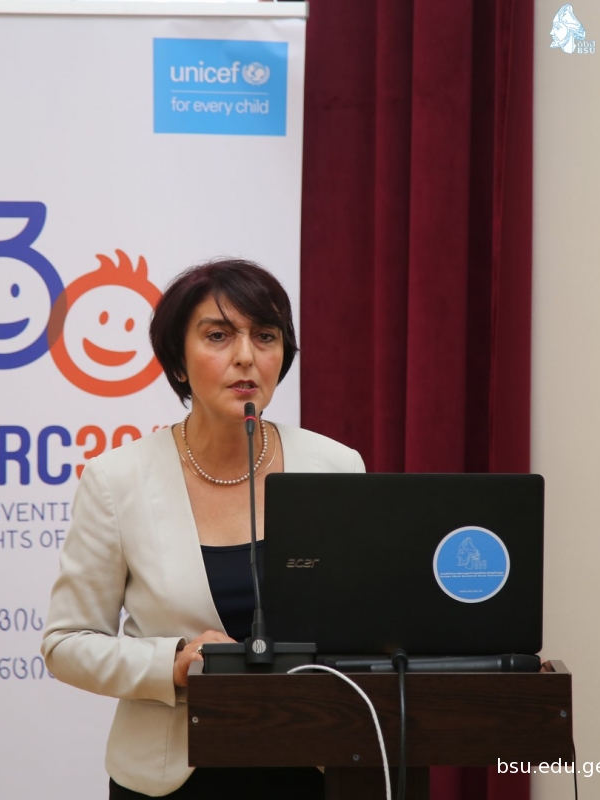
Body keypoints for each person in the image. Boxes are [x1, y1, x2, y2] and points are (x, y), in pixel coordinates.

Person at [42, 259, 365, 798]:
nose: (246, 356)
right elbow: (66, 643)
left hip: (311, 762)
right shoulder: (117, 480)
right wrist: (171, 664)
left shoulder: (334, 467)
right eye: (218, 335)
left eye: (265, 336)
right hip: (172, 775)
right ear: (178, 362)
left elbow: (364, 624)